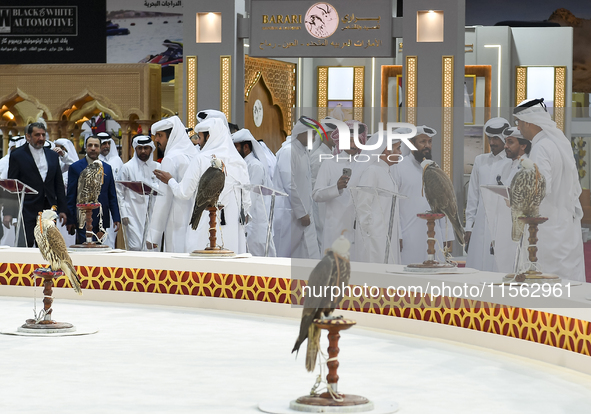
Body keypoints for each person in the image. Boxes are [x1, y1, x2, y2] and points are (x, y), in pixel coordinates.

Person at [154, 117, 251, 253]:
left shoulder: (201, 159)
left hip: (206, 225)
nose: (198, 142)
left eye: (200, 137)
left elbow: (183, 193)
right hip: (234, 228)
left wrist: (170, 180)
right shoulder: (239, 162)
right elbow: (246, 203)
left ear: (209, 136)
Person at [514, 98, 585, 281]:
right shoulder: (555, 143)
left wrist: (515, 199)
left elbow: (540, 188)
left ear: (528, 122)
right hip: (563, 224)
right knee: (567, 282)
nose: (519, 128)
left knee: (548, 283)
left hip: (547, 228)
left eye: (519, 122)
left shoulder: (542, 147)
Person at [395, 126, 455, 265]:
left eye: (429, 141)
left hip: (435, 234)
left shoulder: (434, 168)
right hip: (408, 234)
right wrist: (397, 234)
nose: (427, 146)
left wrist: (448, 233)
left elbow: (445, 202)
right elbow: (395, 205)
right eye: (422, 141)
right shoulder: (399, 167)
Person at [3, 123, 67, 247]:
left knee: (49, 246)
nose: (41, 138)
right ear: (28, 136)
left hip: (49, 208)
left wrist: (63, 209)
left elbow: (58, 183)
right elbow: (12, 186)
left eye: (43, 135)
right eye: (37, 135)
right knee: (25, 245)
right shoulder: (17, 155)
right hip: (26, 208)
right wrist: (8, 212)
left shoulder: (53, 155)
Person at [312, 120, 366, 254]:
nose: (353, 145)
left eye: (357, 141)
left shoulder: (364, 165)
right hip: (336, 228)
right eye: (349, 141)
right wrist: (336, 188)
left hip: (359, 228)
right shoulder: (329, 163)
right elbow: (316, 195)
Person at [464, 117, 511, 271]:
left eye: (496, 138)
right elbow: (473, 196)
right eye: (490, 138)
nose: (492, 142)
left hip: (504, 224)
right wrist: (469, 227)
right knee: (477, 267)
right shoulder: (480, 160)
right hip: (480, 224)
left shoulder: (513, 163)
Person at [148, 115, 198, 252]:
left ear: (172, 136)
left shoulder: (170, 159)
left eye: (160, 135)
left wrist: (153, 235)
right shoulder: (195, 155)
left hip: (176, 222)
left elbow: (164, 200)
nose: (156, 140)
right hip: (195, 224)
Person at [485, 126, 531, 273]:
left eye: (510, 142)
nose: (505, 146)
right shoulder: (507, 166)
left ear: (523, 145)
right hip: (503, 228)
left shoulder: (529, 166)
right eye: (505, 142)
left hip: (519, 230)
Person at [272, 117, 319, 259]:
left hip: (302, 214)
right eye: (313, 134)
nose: (314, 138)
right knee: (286, 255)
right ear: (302, 132)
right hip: (289, 214)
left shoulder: (304, 152)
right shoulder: (288, 151)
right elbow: (289, 185)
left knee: (304, 254)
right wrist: (301, 212)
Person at [352, 132, 403, 264]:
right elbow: (363, 205)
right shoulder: (372, 171)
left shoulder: (386, 172)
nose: (401, 153)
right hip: (375, 238)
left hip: (386, 236)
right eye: (398, 148)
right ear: (387, 150)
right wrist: (371, 233)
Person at [66, 135, 121, 245]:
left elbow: (112, 195)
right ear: (85, 148)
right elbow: (71, 195)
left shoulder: (107, 168)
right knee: (86, 248)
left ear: (100, 148)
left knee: (100, 249)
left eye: (96, 145)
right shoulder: (75, 167)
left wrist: (116, 217)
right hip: (82, 217)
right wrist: (70, 220)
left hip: (102, 216)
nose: (93, 148)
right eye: (90, 145)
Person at [232, 128, 275, 256]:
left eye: (236, 147)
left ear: (246, 147)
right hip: (246, 222)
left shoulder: (255, 165)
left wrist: (244, 217)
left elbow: (252, 195)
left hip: (254, 222)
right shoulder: (243, 164)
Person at [118, 135, 160, 251]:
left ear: (151, 149)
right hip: (132, 213)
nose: (143, 151)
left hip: (153, 214)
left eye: (146, 148)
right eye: (139, 148)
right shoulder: (127, 167)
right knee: (135, 246)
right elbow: (119, 192)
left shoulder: (158, 167)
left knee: (152, 247)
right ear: (135, 149)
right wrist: (124, 213)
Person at [310, 116, 338, 252]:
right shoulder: (318, 156)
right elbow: (315, 185)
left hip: (331, 200)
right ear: (325, 135)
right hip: (320, 204)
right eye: (333, 134)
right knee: (323, 236)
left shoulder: (331, 154)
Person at [97, 132, 124, 248]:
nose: (106, 146)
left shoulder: (117, 161)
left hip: (112, 206)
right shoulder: (93, 161)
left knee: (110, 239)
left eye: (108, 143)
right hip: (95, 205)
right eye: (103, 144)